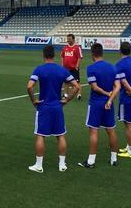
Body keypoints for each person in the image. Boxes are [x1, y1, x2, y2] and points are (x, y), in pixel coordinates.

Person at [27, 45, 80, 173]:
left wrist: (34, 100)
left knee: (40, 135)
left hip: (44, 106)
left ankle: (39, 166)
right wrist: (67, 99)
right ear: (54, 55)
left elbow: (29, 87)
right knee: (60, 136)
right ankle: (62, 164)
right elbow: (76, 86)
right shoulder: (62, 70)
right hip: (57, 106)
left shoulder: (39, 69)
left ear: (43, 55)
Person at [78, 43, 120, 168]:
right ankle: (114, 159)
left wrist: (107, 94)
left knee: (93, 131)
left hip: (96, 103)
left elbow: (94, 87)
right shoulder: (113, 67)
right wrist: (110, 99)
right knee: (111, 130)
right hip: (109, 103)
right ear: (102, 53)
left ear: (92, 54)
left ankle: (91, 161)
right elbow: (117, 86)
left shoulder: (91, 68)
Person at [60, 34, 83, 101]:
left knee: (77, 82)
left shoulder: (77, 47)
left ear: (73, 39)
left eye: (69, 39)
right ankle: (65, 94)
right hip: (66, 68)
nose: (68, 40)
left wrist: (77, 65)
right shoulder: (64, 48)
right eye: (67, 39)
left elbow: (80, 57)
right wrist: (62, 64)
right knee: (66, 82)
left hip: (74, 69)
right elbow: (62, 56)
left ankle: (79, 94)